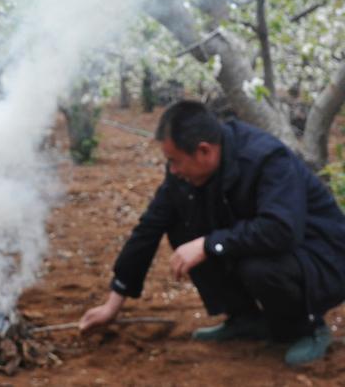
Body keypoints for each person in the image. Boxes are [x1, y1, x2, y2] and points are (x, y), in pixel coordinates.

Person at [79, 100, 345, 366]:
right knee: (185, 231)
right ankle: (245, 319)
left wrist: (209, 244)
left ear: (203, 151)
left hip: (323, 257)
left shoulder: (265, 158)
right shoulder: (185, 173)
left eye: (175, 161)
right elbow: (150, 227)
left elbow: (281, 230)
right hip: (276, 248)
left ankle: (308, 328)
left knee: (255, 264)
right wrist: (114, 301)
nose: (172, 170)